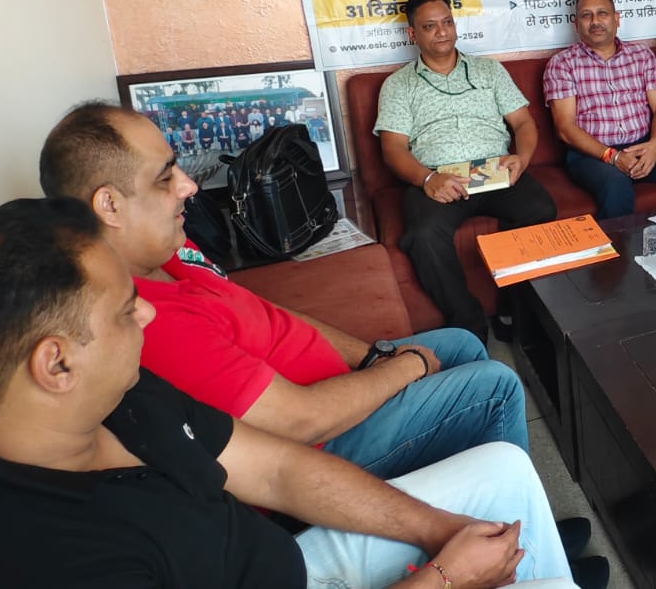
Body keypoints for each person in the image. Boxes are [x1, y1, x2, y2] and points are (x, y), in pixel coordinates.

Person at [38, 102, 610, 586]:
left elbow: (268, 314)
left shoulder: (170, 251)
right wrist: (403, 367)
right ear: (108, 205)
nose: (189, 185)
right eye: (166, 177)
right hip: (322, 439)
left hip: (331, 391)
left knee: (460, 343)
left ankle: (510, 525)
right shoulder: (146, 320)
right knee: (492, 386)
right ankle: (517, 553)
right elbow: (299, 424)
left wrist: (372, 355)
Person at [0, 196, 575, 588]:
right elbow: (296, 428)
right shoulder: (46, 555)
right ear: (56, 364)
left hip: (279, 559)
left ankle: (527, 556)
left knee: (504, 470)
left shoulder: (119, 399)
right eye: (124, 310)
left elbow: (277, 470)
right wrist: (444, 576)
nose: (147, 315)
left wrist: (442, 529)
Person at [376, 0, 558, 340]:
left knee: (540, 209)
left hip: (495, 170)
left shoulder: (489, 70)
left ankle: (512, 309)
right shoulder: (398, 85)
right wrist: (426, 178)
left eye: (447, 22)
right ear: (412, 34)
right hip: (438, 177)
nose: (442, 32)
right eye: (430, 26)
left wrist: (522, 158)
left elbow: (523, 123)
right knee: (423, 236)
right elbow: (393, 149)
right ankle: (469, 324)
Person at [545, 0, 656, 218]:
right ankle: (621, 244)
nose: (595, 21)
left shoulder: (641, 56)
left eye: (602, 13)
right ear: (576, 24)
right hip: (591, 153)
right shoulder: (562, 64)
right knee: (615, 187)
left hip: (643, 143)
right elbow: (565, 128)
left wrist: (655, 145)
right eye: (586, 15)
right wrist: (612, 156)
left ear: (616, 18)